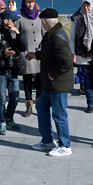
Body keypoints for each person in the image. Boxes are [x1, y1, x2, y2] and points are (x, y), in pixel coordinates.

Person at [26, 8, 73, 157]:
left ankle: (65, 146)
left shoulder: (57, 37)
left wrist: (52, 74)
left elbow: (66, 62)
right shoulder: (51, 35)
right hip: (49, 83)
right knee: (42, 107)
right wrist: (36, 55)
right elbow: (49, 53)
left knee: (59, 114)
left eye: (42, 21)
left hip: (58, 83)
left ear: (44, 22)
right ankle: (47, 141)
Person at [0, 9, 27, 134]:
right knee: (1, 98)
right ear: (6, 21)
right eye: (13, 20)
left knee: (15, 97)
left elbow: (23, 47)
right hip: (1, 70)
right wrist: (3, 53)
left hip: (13, 69)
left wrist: (19, 34)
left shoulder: (15, 33)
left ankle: (9, 118)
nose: (15, 22)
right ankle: (2, 122)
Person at [71, 0, 93, 113]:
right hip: (82, 56)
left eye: (88, 5)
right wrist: (73, 53)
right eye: (84, 6)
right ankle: (90, 103)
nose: (86, 8)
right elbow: (72, 38)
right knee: (87, 82)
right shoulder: (77, 19)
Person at [18, 0, 43, 117]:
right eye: (28, 2)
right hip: (26, 54)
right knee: (27, 80)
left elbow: (44, 33)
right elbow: (17, 35)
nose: (31, 4)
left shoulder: (39, 17)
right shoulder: (20, 18)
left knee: (40, 79)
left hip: (39, 54)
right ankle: (29, 105)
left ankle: (39, 103)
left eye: (32, 2)